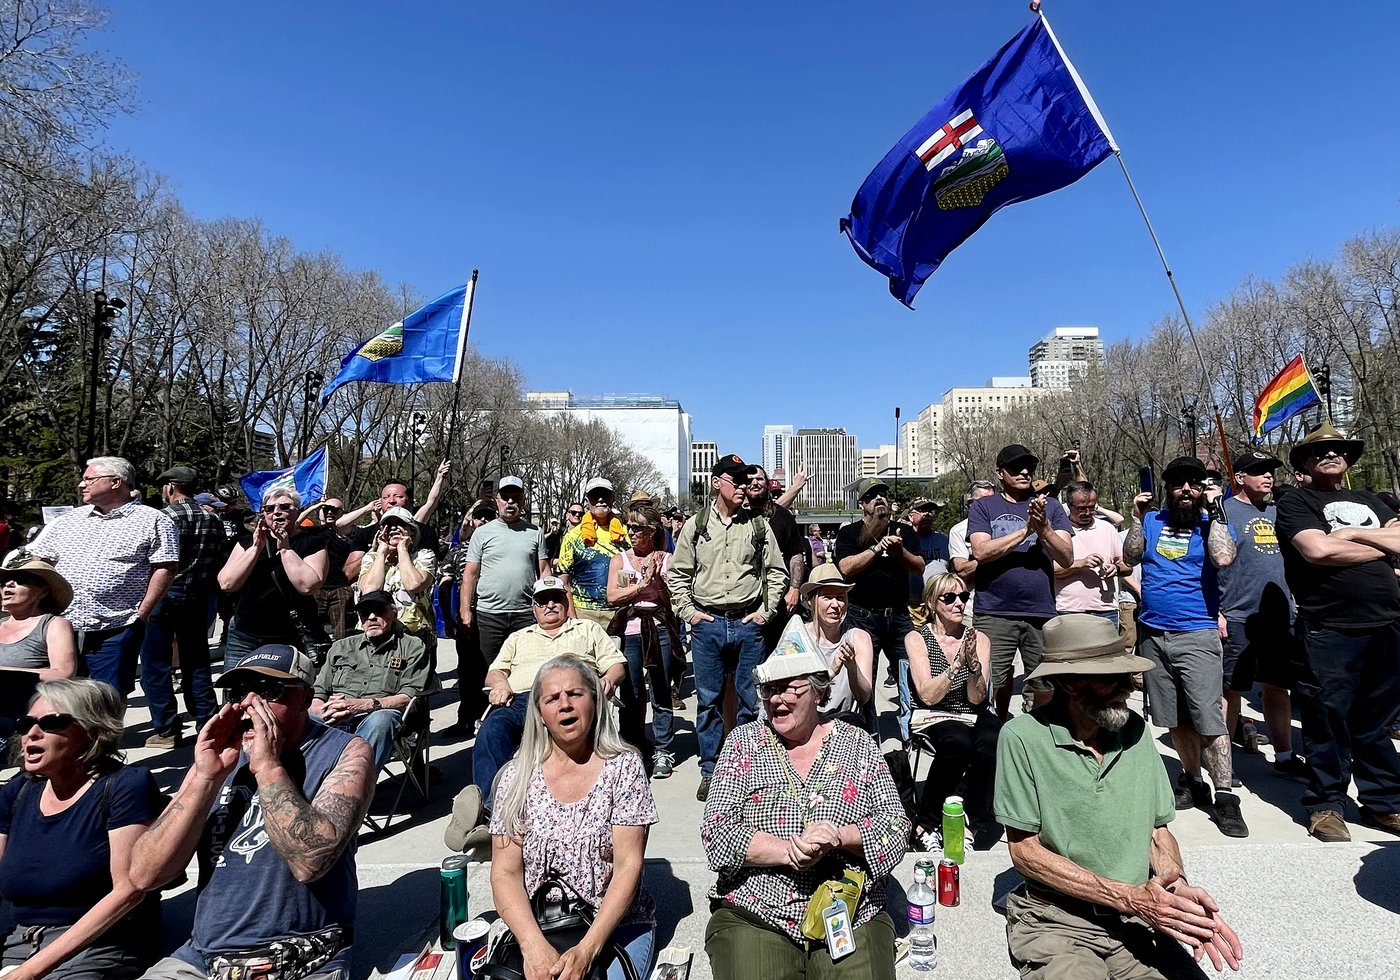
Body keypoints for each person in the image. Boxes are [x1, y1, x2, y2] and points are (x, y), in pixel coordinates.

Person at [995, 613, 1243, 979]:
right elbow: (1025, 852)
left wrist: (1176, 890)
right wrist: (1127, 897)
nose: (1128, 686)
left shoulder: (1135, 731)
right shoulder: (1022, 737)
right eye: (1111, 677)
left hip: (1135, 920)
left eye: (1126, 674)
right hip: (1058, 922)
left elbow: (1157, 833)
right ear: (1069, 684)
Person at [128, 644, 375, 980]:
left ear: (306, 698)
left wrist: (267, 766)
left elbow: (310, 862)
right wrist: (204, 779)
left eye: (268, 690)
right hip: (203, 958)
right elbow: (144, 875)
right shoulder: (220, 758)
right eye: (237, 692)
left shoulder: (345, 751)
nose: (247, 703)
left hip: (302, 956)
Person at [700, 643, 909, 979]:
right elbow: (716, 833)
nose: (776, 699)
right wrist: (788, 851)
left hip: (851, 911)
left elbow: (895, 827)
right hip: (756, 911)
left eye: (788, 688)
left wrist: (839, 837)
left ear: (818, 691)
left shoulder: (858, 743)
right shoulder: (743, 743)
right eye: (769, 689)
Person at [488, 656, 659, 980]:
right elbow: (505, 873)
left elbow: (628, 866)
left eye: (575, 694)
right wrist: (532, 946)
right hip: (537, 924)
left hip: (613, 926)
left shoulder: (624, 768)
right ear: (540, 714)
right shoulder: (515, 777)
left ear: (594, 701)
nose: (564, 704)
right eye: (552, 698)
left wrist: (587, 951)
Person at [1275, 424, 1400, 842]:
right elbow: (1318, 550)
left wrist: (1355, 533)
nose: (1331, 455)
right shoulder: (1296, 501)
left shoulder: (1372, 500)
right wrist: (1383, 545)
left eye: (1339, 450)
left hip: (1387, 623)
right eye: (1321, 451)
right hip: (1329, 627)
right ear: (1305, 463)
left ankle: (1384, 802)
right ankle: (1326, 805)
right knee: (1327, 718)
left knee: (1377, 721)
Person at [446, 577, 627, 853]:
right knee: (491, 730)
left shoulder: (586, 629)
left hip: (569, 698)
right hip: (522, 699)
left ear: (566, 603)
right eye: (543, 601)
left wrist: (608, 680)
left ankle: (501, 820)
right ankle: (490, 813)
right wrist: (501, 684)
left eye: (556, 599)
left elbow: (616, 665)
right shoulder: (519, 637)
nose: (550, 605)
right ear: (534, 608)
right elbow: (495, 672)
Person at [0, 679, 164, 980]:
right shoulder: (18, 790)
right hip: (20, 942)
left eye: (51, 723)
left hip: (97, 946)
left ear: (91, 731)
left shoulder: (125, 787)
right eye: (26, 724)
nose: (31, 733)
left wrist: (30, 972)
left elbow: (128, 891)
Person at [1124, 456, 1247, 838]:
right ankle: (1192, 779)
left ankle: (1226, 797)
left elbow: (1223, 557)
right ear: (1168, 489)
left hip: (1197, 633)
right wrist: (1136, 517)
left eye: (1194, 483)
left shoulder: (1213, 523)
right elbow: (1129, 557)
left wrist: (1217, 507)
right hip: (1153, 635)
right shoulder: (1152, 521)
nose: (1186, 490)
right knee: (1174, 717)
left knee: (1208, 718)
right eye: (1178, 484)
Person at [667, 453, 786, 802]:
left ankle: (747, 769)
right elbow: (678, 574)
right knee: (708, 703)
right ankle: (711, 771)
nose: (744, 487)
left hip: (749, 625)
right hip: (708, 625)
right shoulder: (696, 525)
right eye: (736, 480)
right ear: (717, 483)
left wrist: (765, 612)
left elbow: (776, 572)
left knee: (752, 701)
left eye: (746, 480)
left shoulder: (758, 526)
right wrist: (689, 613)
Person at [28, 457, 179, 695]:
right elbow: (39, 560)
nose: (82, 484)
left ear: (115, 482)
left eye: (89, 479)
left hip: (116, 627)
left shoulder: (154, 520)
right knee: (59, 695)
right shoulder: (67, 521)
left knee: (107, 696)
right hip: (61, 626)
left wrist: (142, 613)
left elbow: (166, 567)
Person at [1217, 449, 1308, 780]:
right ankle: (1224, 765)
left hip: (1280, 616)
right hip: (1237, 613)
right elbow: (1208, 568)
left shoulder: (1279, 512)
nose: (1268, 476)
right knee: (1232, 690)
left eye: (1270, 470)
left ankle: (1285, 756)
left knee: (1277, 686)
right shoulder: (1222, 514)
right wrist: (1217, 612)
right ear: (1239, 478)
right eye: (1259, 471)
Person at [968, 445, 1073, 719]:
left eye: (1030, 467)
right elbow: (981, 552)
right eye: (1016, 467)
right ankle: (991, 733)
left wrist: (1044, 528)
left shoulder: (1050, 506)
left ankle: (1038, 734)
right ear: (1000, 473)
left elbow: (1067, 557)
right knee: (988, 682)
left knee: (1045, 685)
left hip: (1041, 613)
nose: (1025, 472)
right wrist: (1026, 530)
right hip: (994, 613)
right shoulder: (983, 507)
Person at [903, 572, 999, 851]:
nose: (959, 603)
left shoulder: (978, 638)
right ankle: (926, 823)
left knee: (993, 740)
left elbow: (977, 697)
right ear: (932, 603)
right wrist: (955, 666)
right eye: (949, 597)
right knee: (958, 744)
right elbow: (927, 695)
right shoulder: (917, 638)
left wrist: (974, 666)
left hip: (971, 709)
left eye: (963, 596)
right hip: (935, 711)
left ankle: (972, 823)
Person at [139, 467, 223, 749]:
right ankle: (207, 722)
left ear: (171, 487)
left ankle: (166, 729)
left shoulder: (163, 517)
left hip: (163, 595)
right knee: (196, 662)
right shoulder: (213, 518)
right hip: (198, 596)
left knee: (155, 665)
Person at [835, 478, 924, 735]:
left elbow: (919, 567)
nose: (879, 499)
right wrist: (876, 549)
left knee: (910, 675)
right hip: (862, 616)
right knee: (864, 680)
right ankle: (869, 736)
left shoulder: (903, 532)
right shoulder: (849, 533)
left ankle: (912, 733)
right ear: (862, 504)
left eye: (882, 494)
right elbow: (845, 568)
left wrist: (900, 552)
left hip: (899, 616)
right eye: (872, 496)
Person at [310, 591, 432, 768]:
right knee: (298, 717)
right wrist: (321, 711)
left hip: (378, 714)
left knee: (382, 720)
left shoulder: (412, 647)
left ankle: (356, 780)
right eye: (365, 613)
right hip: (334, 716)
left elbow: (408, 698)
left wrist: (362, 705)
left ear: (394, 613)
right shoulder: (341, 646)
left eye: (379, 610)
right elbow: (319, 691)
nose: (372, 617)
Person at [216, 487, 329, 669]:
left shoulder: (313, 541)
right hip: (244, 636)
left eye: (284, 507)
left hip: (290, 636)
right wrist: (255, 548)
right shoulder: (247, 542)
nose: (276, 512)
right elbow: (227, 583)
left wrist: (285, 548)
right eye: (269, 509)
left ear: (297, 511)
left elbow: (308, 586)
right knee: (237, 687)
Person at [606, 505, 681, 778]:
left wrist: (658, 581)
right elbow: (612, 596)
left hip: (659, 627)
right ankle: (633, 746)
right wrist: (641, 584)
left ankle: (663, 750)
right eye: (629, 526)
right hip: (630, 630)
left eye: (637, 527)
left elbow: (672, 599)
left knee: (660, 689)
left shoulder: (667, 559)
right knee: (632, 691)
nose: (631, 532)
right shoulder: (620, 560)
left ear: (651, 531)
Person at [458, 476, 549, 678]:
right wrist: (465, 611)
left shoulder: (535, 532)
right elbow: (470, 575)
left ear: (523, 500)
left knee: (524, 673)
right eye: (505, 497)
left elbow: (544, 571)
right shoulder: (481, 533)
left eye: (515, 497)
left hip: (525, 614)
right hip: (488, 616)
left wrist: (546, 605)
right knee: (488, 672)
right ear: (497, 500)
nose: (510, 502)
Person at [773, 563, 873, 727]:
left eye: (840, 598)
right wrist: (830, 673)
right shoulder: (797, 636)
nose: (835, 605)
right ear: (811, 601)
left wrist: (852, 667)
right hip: (803, 724)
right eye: (827, 597)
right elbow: (787, 691)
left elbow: (863, 697)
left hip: (844, 724)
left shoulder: (858, 638)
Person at [439, 501, 498, 738]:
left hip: (496, 617)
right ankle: (465, 719)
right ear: (472, 521)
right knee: (466, 670)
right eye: (479, 517)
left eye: (488, 517)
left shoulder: (501, 546)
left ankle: (493, 720)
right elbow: (444, 585)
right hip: (467, 619)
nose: (483, 521)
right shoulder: (459, 550)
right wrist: (448, 619)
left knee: (494, 669)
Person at [355, 506, 438, 651]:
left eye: (400, 524)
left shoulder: (423, 556)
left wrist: (402, 550)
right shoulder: (372, 558)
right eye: (388, 525)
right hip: (375, 632)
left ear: (412, 530)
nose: (393, 528)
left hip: (415, 634)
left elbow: (414, 585)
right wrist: (381, 552)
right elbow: (369, 589)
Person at [743, 465, 807, 647]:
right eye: (749, 480)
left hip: (780, 600)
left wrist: (794, 589)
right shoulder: (737, 516)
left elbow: (796, 554)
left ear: (767, 484)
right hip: (746, 602)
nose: (755, 483)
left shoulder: (783, 516)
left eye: (759, 479)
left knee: (785, 652)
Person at [555, 478, 629, 630]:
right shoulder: (572, 536)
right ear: (587, 501)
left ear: (613, 498)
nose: (600, 500)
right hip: (583, 613)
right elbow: (564, 582)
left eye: (605, 495)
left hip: (618, 613)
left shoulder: (626, 534)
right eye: (595, 496)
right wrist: (573, 618)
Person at [1053, 481, 1129, 624]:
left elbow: (1127, 566)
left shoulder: (1107, 528)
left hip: (1106, 610)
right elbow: (1052, 570)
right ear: (1069, 505)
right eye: (1081, 508)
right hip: (1068, 610)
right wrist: (1081, 564)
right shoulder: (1058, 531)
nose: (1087, 513)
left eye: (1091, 508)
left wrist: (1116, 568)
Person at [0, 558, 78, 681]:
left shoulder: (53, 625)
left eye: (20, 579)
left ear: (43, 592)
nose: (8, 584)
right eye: (3, 582)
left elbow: (63, 672)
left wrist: (5, 672)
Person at [303, 499, 356, 641]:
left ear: (343, 513)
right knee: (311, 629)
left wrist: (368, 508)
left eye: (335, 509)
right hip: (317, 589)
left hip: (341, 588)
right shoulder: (313, 532)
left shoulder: (351, 534)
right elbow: (295, 524)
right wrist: (314, 507)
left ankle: (341, 653)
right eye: (326, 509)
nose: (330, 512)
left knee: (341, 634)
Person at [948, 480, 996, 611]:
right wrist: (997, 555)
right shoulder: (959, 531)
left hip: (1008, 604)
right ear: (970, 504)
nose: (990, 505)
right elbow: (962, 570)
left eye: (994, 501)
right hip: (974, 606)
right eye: (984, 501)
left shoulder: (1006, 526)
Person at [546, 502, 584, 567]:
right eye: (574, 512)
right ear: (567, 515)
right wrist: (558, 561)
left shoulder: (587, 536)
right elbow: (546, 559)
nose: (577, 515)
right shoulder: (558, 536)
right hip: (560, 571)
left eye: (581, 513)